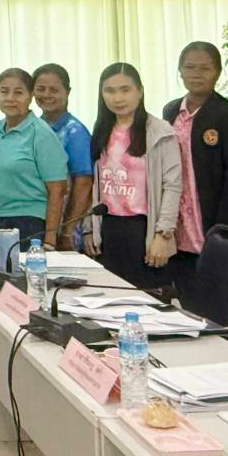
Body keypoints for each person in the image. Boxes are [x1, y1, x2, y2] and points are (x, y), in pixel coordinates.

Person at [161, 42, 228, 302]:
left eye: (205, 68)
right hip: (176, 222)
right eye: (190, 67)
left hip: (210, 224)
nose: (196, 74)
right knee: (185, 295)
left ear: (217, 72)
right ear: (180, 71)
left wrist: (224, 232)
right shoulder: (170, 111)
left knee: (215, 302)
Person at [84, 63, 181, 292]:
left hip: (143, 229)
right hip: (109, 227)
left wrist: (163, 234)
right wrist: (89, 227)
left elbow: (173, 185)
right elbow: (94, 184)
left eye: (125, 89)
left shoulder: (160, 132)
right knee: (112, 298)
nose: (117, 98)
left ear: (140, 91)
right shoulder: (101, 130)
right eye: (109, 90)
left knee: (147, 302)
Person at [0, 68, 68, 246]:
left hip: (30, 223)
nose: (10, 98)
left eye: (18, 92)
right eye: (4, 91)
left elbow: (57, 189)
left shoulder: (41, 133)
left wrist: (50, 240)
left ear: (30, 96)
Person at [32, 64, 94, 251]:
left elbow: (83, 183)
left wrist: (67, 230)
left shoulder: (75, 131)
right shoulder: (34, 127)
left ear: (67, 92)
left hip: (63, 230)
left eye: (54, 90)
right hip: (37, 222)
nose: (46, 95)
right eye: (40, 89)